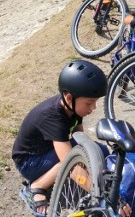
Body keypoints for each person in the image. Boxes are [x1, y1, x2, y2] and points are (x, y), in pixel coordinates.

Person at [12, 60, 115, 216]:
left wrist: (92, 163)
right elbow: (72, 167)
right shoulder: (53, 117)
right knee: (69, 161)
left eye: (95, 102)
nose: (93, 108)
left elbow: (81, 138)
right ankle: (35, 188)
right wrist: (101, 194)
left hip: (47, 151)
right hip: (29, 161)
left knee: (97, 150)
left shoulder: (73, 107)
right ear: (68, 98)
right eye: (89, 103)